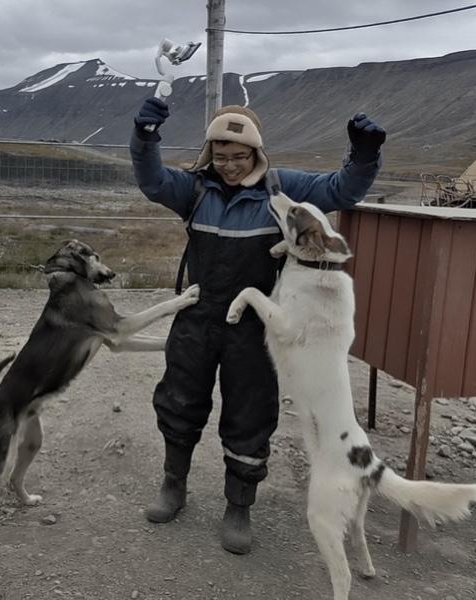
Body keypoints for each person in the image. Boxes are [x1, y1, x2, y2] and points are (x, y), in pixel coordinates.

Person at [129, 96, 385, 555]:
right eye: (221, 156)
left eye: (239, 156)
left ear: (256, 154)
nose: (229, 165)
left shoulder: (281, 189)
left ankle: (239, 506)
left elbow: (342, 190)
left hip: (253, 325)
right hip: (198, 316)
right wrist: (145, 139)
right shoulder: (194, 190)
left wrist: (363, 156)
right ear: (210, 153)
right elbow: (151, 180)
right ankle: (173, 485)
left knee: (249, 415)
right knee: (179, 402)